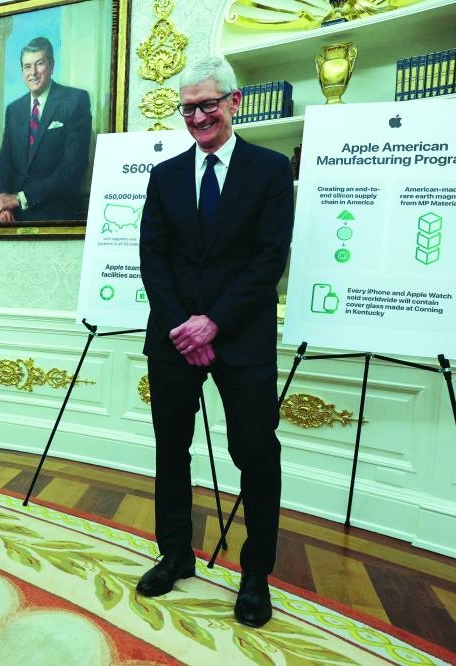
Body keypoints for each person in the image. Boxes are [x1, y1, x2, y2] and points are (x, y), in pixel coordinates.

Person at [136, 56, 294, 628]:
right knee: (170, 449)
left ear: (234, 101)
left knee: (255, 452)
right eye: (188, 109)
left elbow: (269, 259)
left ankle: (255, 575)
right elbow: (153, 256)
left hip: (242, 338)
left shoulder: (270, 170)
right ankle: (175, 554)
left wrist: (214, 323)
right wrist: (185, 325)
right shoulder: (164, 176)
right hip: (174, 338)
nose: (198, 117)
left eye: (208, 105)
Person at [0, 36, 92, 224]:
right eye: (27, 66)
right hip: (10, 204)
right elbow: (3, 162)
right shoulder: (14, 109)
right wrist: (2, 202)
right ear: (22, 71)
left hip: (51, 205)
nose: (33, 73)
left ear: (52, 65)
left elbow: (73, 168)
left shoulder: (75, 100)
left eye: (39, 64)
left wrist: (20, 199)